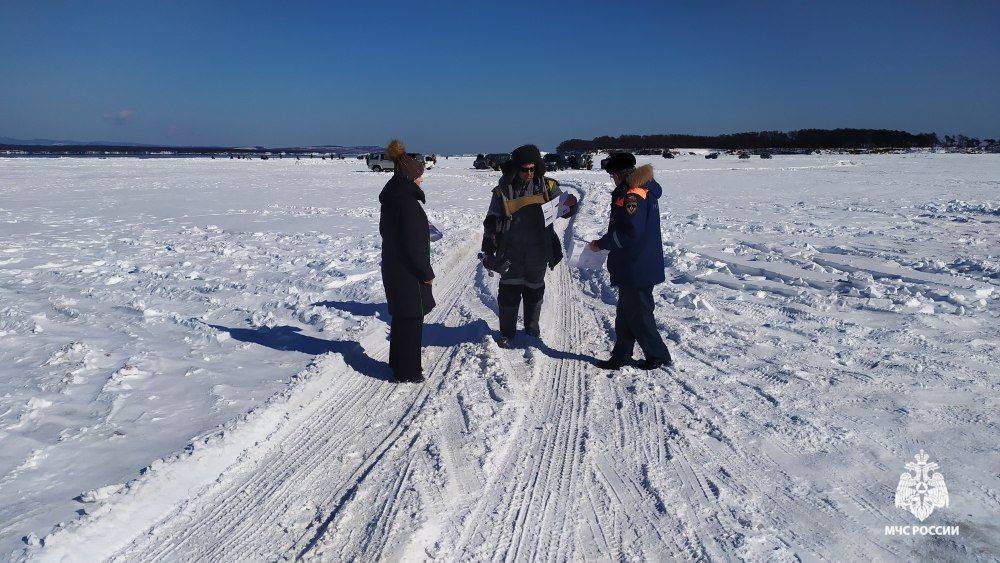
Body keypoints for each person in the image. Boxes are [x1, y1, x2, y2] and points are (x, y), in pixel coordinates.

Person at [481, 144, 577, 347]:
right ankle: (507, 333)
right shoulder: (502, 191)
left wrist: (570, 206)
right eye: (525, 169)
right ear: (516, 168)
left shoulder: (548, 186)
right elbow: (491, 221)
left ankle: (532, 330)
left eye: (533, 169)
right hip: (510, 249)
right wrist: (489, 250)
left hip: (538, 249)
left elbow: (564, 207)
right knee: (509, 291)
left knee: (534, 290)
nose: (529, 173)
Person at [590, 152, 673, 370]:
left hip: (637, 265)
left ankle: (658, 355)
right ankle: (622, 355)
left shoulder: (633, 194)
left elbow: (630, 232)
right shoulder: (639, 189)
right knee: (626, 312)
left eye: (612, 176)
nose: (613, 180)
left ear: (619, 174)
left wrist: (601, 244)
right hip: (635, 264)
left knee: (640, 314)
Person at [379, 140, 434, 383]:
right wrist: (426, 273)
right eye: (420, 176)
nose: (422, 180)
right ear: (411, 177)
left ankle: (397, 364)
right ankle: (408, 372)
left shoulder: (393, 197)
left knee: (402, 317)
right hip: (408, 272)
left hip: (393, 266)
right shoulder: (408, 204)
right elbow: (413, 246)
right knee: (412, 319)